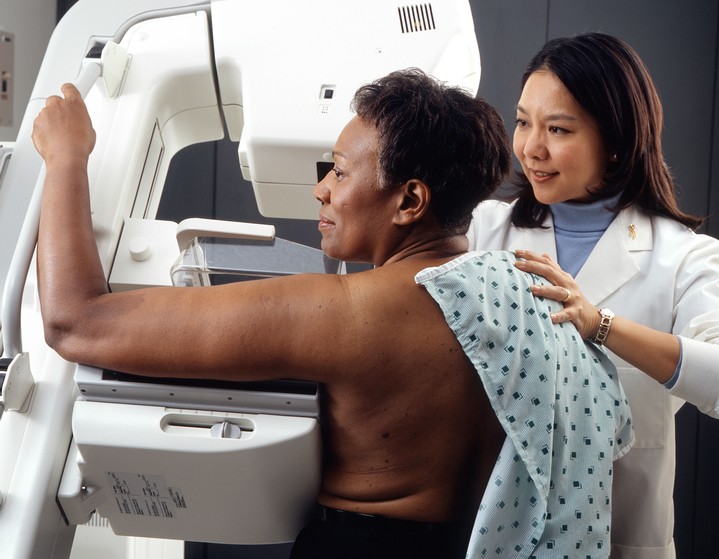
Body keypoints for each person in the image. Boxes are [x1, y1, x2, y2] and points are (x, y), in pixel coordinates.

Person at [32, 68, 632, 559]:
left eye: (340, 172)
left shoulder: (347, 315)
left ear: (410, 201)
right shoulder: (529, 295)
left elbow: (74, 321)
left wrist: (66, 160)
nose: (321, 190)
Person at [467, 31, 719, 559]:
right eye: (523, 122)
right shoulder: (482, 232)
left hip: (624, 541)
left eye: (557, 129)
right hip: (496, 535)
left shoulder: (683, 258)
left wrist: (602, 325)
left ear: (617, 142)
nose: (531, 148)